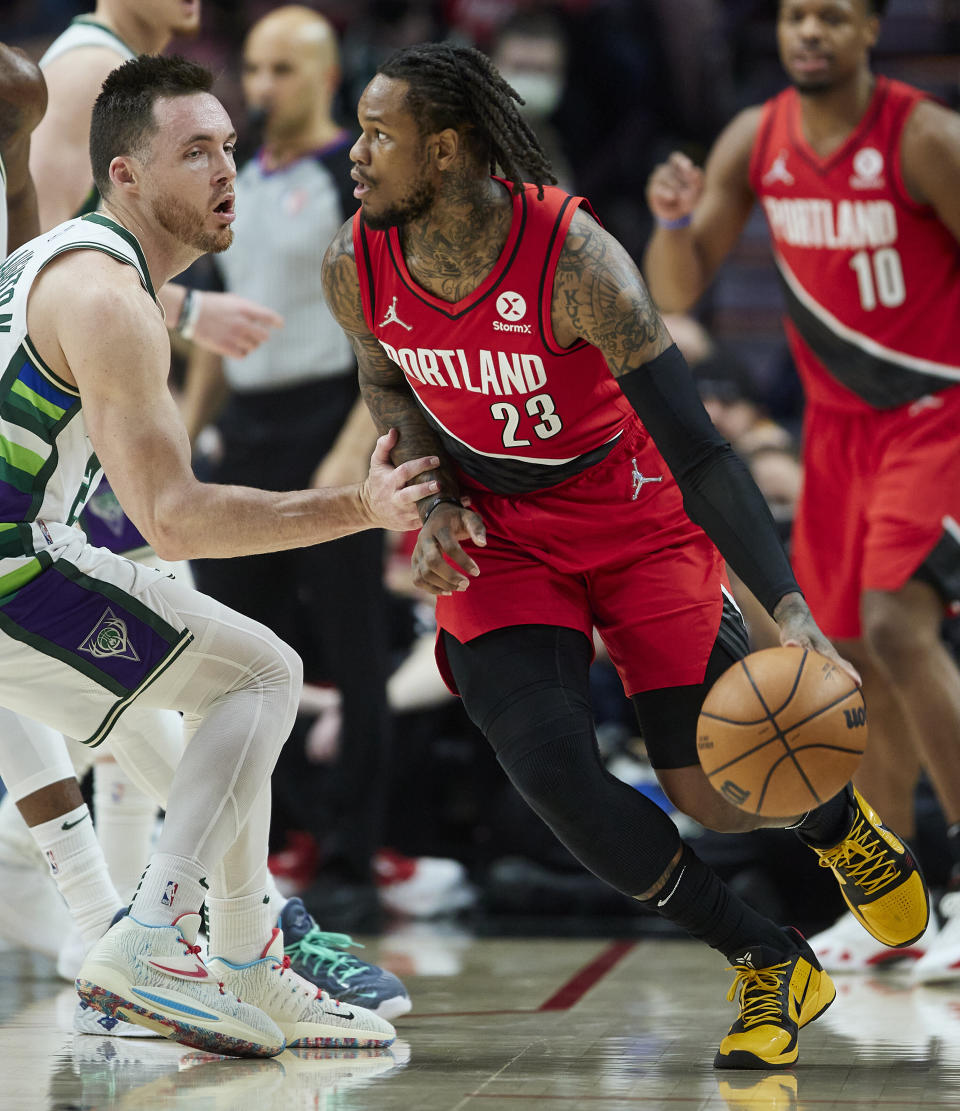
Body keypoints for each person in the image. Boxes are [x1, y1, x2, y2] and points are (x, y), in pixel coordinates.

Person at [320, 41, 929, 1070]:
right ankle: (767, 957)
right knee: (552, 768)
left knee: (712, 782)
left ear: (447, 149)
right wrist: (434, 501)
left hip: (631, 511)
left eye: (380, 134)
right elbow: (387, 384)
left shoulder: (575, 258)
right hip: (502, 535)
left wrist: (788, 604)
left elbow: (697, 445)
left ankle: (838, 825)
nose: (357, 152)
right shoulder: (357, 261)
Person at [0, 52, 439, 1055]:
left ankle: (249, 960)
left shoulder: (64, 258)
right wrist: (361, 505)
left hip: (28, 551)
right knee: (263, 672)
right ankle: (154, 934)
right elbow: (175, 519)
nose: (225, 171)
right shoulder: (112, 300)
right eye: (194, 152)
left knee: (227, 689)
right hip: (12, 560)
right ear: (125, 176)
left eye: (229, 148)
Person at [643, 0, 960, 982]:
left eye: (831, 16)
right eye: (793, 15)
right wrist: (672, 219)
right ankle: (896, 903)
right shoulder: (757, 135)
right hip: (837, 434)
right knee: (854, 655)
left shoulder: (926, 137)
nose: (808, 32)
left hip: (935, 415)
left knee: (900, 627)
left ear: (872, 30)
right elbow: (680, 289)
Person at [181, 5, 395, 939]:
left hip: (333, 416)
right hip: (251, 430)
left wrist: (357, 446)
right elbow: (214, 338)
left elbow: (386, 329)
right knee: (240, 650)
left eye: (279, 70)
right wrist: (183, 439)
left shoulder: (353, 177)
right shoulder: (236, 182)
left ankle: (355, 855)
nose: (259, 87)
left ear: (323, 73)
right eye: (253, 70)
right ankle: (276, 842)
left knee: (351, 652)